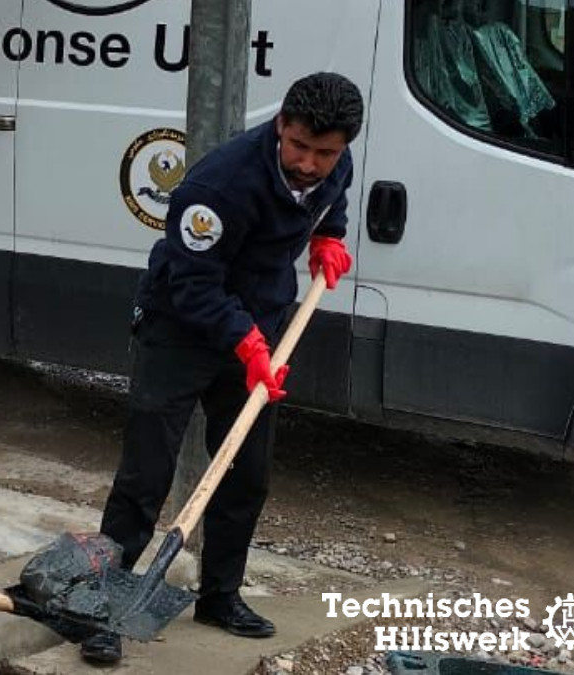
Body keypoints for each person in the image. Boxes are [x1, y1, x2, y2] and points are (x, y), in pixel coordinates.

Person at [81, 72, 364, 665]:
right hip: (180, 328)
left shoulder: (335, 168)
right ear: (281, 125)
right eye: (300, 147)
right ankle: (98, 605)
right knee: (146, 473)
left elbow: (330, 203)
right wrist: (246, 343)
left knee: (245, 471)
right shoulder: (219, 185)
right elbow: (192, 285)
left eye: (325, 152)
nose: (311, 164)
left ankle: (220, 596)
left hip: (260, 326)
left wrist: (327, 240)